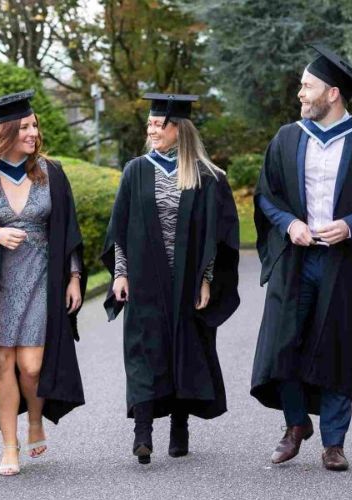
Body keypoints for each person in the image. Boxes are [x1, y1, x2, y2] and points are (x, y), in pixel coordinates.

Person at [250, 45, 352, 471]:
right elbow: (267, 195)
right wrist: (289, 224)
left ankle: (334, 443)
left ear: (332, 93)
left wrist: (351, 225)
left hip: (346, 263)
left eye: (307, 86)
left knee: (340, 346)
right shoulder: (287, 138)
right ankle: (295, 423)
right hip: (296, 259)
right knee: (282, 343)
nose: (300, 93)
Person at [0, 89, 86, 476]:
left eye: (34, 126)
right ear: (6, 132)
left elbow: (68, 227)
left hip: (42, 276)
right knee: (0, 362)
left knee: (31, 366)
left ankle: (35, 421)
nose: (33, 133)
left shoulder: (51, 172)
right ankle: (9, 446)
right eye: (25, 127)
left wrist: (74, 276)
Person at [102, 93, 240, 465]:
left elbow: (218, 236)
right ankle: (142, 433)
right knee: (143, 352)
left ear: (178, 129)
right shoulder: (136, 170)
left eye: (158, 124)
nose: (151, 130)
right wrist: (120, 273)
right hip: (144, 279)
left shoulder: (207, 176)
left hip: (187, 282)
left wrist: (206, 278)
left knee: (184, 351)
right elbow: (119, 227)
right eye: (149, 124)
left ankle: (180, 427)